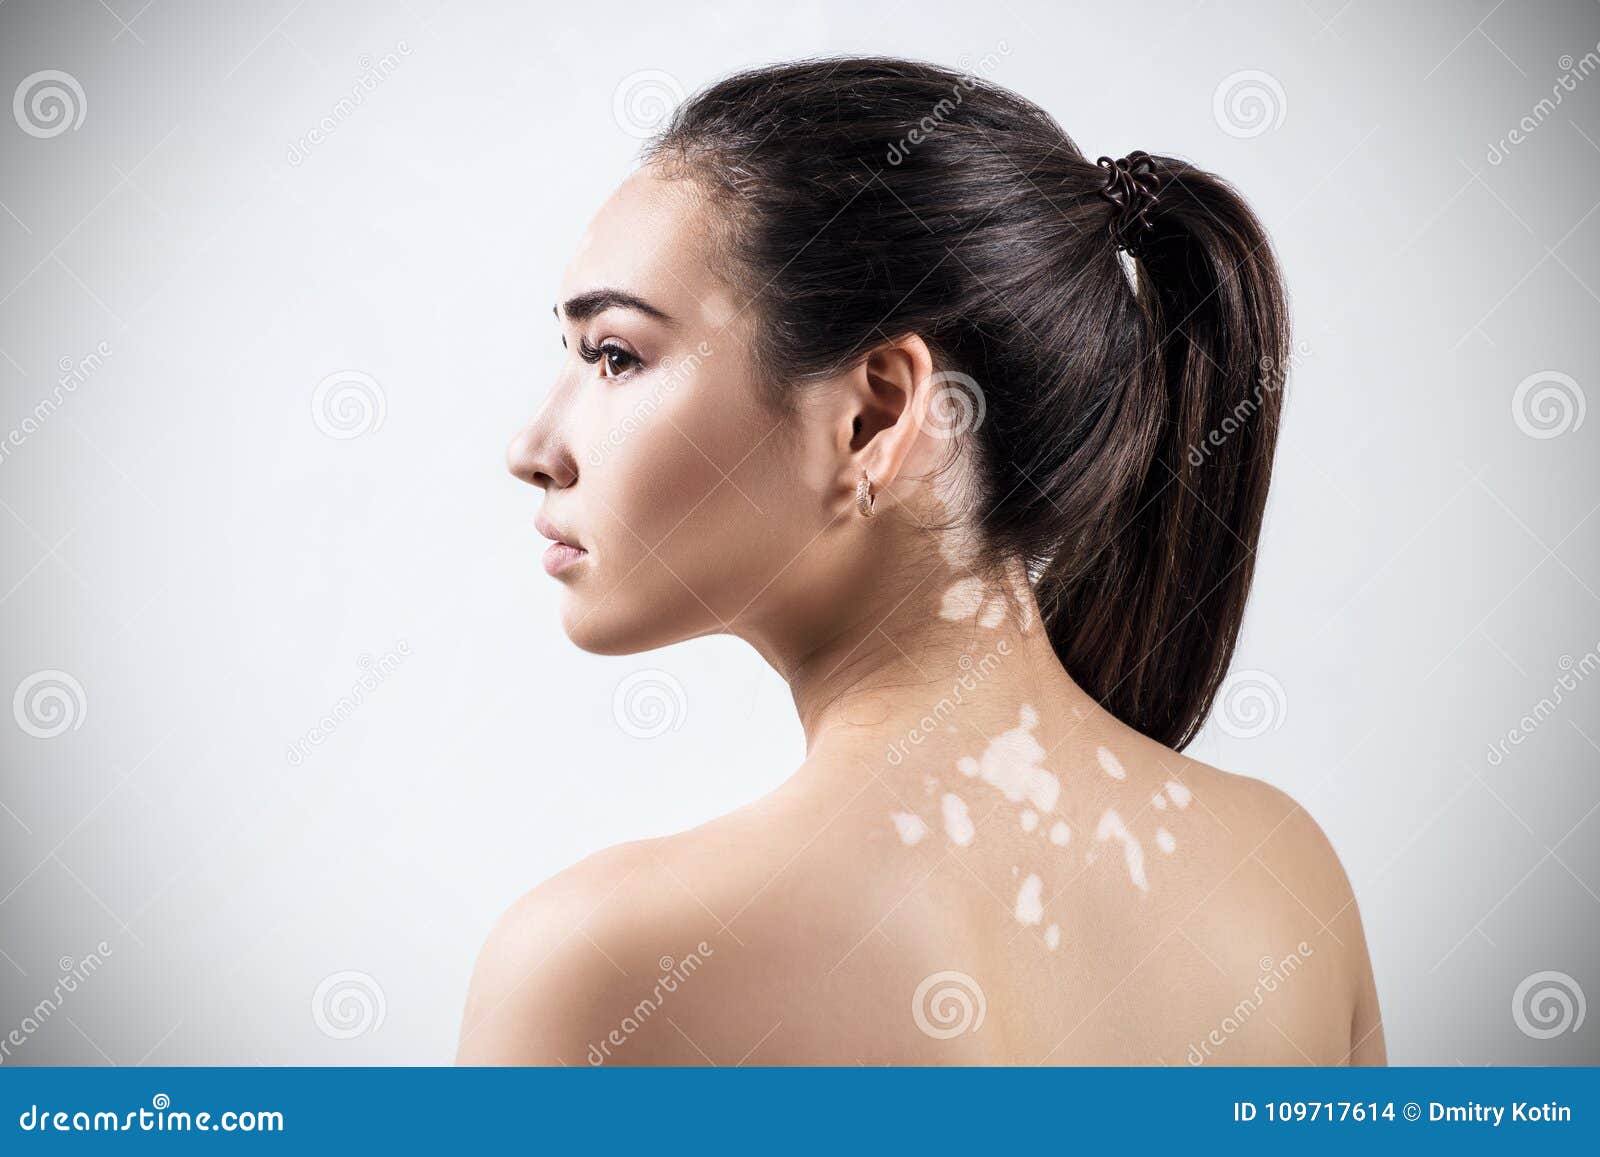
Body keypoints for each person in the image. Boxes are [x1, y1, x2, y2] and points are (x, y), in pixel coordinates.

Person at [458, 57, 1384, 1066]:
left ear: (876, 412)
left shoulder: (596, 964)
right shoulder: (1282, 876)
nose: (533, 447)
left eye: (615, 356)